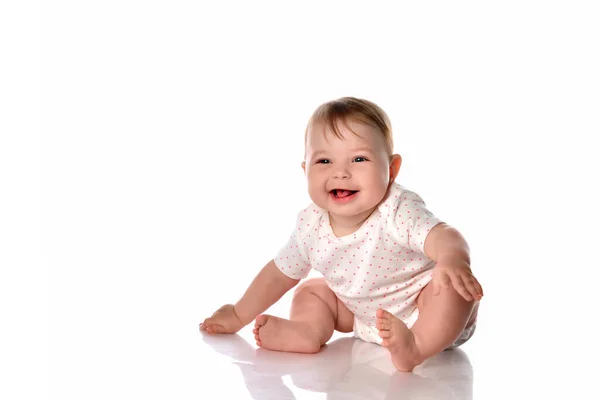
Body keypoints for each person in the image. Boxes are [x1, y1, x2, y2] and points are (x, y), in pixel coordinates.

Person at [200, 96, 483, 372]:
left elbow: (442, 235)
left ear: (392, 169)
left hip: (426, 312)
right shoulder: (311, 225)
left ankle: (415, 348)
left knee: (450, 289)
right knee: (313, 290)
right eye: (324, 162)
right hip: (363, 317)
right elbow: (278, 274)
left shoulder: (397, 208)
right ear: (305, 170)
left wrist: (452, 258)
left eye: (359, 159)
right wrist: (238, 314)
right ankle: (308, 330)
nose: (341, 173)